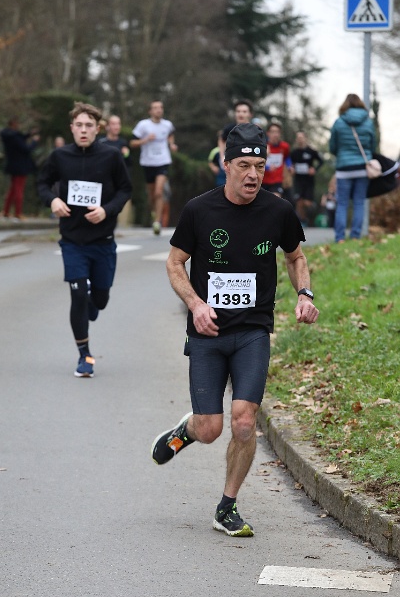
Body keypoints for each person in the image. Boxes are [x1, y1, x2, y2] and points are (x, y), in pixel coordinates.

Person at [151, 123, 319, 537]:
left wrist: (305, 294)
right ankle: (186, 430)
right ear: (226, 165)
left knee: (244, 422)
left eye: (259, 166)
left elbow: (296, 257)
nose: (253, 174)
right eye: (243, 165)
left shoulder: (278, 211)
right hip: (207, 333)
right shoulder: (199, 210)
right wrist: (195, 304)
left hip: (252, 332)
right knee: (210, 429)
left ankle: (227, 507)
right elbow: (175, 263)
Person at [37, 102, 132, 378]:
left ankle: (94, 301)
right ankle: (84, 355)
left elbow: (125, 189)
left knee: (99, 300)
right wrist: (53, 200)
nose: (83, 130)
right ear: (71, 128)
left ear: (97, 129)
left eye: (88, 125)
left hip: (102, 240)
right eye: (78, 125)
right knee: (77, 294)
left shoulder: (111, 156)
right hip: (72, 240)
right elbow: (42, 183)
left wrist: (106, 210)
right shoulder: (60, 156)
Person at [329, 94, 376, 243]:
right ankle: (355, 236)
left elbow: (332, 147)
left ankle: (340, 238)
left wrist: (342, 154)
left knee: (342, 203)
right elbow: (372, 145)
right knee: (359, 203)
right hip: (362, 168)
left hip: (344, 168)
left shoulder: (339, 122)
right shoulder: (368, 122)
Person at [130, 100, 177, 235]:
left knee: (158, 192)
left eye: (160, 107)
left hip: (163, 161)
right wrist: (145, 140)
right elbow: (132, 143)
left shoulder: (167, 125)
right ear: (150, 111)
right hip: (148, 162)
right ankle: (154, 211)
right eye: (155, 108)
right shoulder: (143, 125)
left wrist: (171, 144)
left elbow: (170, 135)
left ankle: (157, 222)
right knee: (151, 195)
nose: (158, 110)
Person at [0, 117, 40, 220]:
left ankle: (6, 212)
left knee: (12, 190)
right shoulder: (15, 137)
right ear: (14, 124)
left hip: (12, 165)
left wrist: (29, 134)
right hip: (20, 166)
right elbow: (26, 149)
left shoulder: (8, 135)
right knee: (19, 190)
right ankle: (18, 213)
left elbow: (20, 138)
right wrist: (34, 142)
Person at [291, 131, 324, 225]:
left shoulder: (311, 151)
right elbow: (290, 163)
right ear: (296, 139)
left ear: (305, 138)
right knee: (299, 201)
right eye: (298, 138)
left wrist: (314, 169)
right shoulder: (294, 152)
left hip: (309, 181)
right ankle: (302, 220)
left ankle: (311, 211)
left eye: (301, 137)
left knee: (307, 203)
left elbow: (321, 161)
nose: (300, 139)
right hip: (298, 180)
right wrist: (291, 168)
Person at [262, 122, 291, 199]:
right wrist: (267, 167)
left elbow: (287, 157)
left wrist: (289, 166)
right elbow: (256, 163)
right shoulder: (263, 146)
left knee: (276, 199)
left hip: (277, 181)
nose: (275, 135)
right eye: (273, 132)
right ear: (268, 133)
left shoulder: (285, 146)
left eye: (277, 132)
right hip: (263, 180)